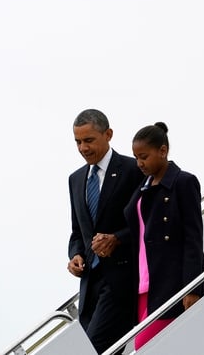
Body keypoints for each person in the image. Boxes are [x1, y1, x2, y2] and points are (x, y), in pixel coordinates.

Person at [124, 122, 204, 350]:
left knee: (144, 346)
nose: (139, 163)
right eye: (136, 157)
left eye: (144, 156)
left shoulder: (183, 182)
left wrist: (192, 288)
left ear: (163, 151)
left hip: (171, 283)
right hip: (144, 284)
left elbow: (193, 237)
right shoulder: (143, 187)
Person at [67, 109, 144, 353]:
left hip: (121, 282)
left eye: (88, 140)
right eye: (78, 142)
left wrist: (117, 239)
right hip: (90, 285)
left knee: (95, 348)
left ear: (108, 134)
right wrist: (75, 255)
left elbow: (146, 223)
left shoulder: (133, 170)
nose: (83, 148)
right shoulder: (76, 179)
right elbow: (78, 231)